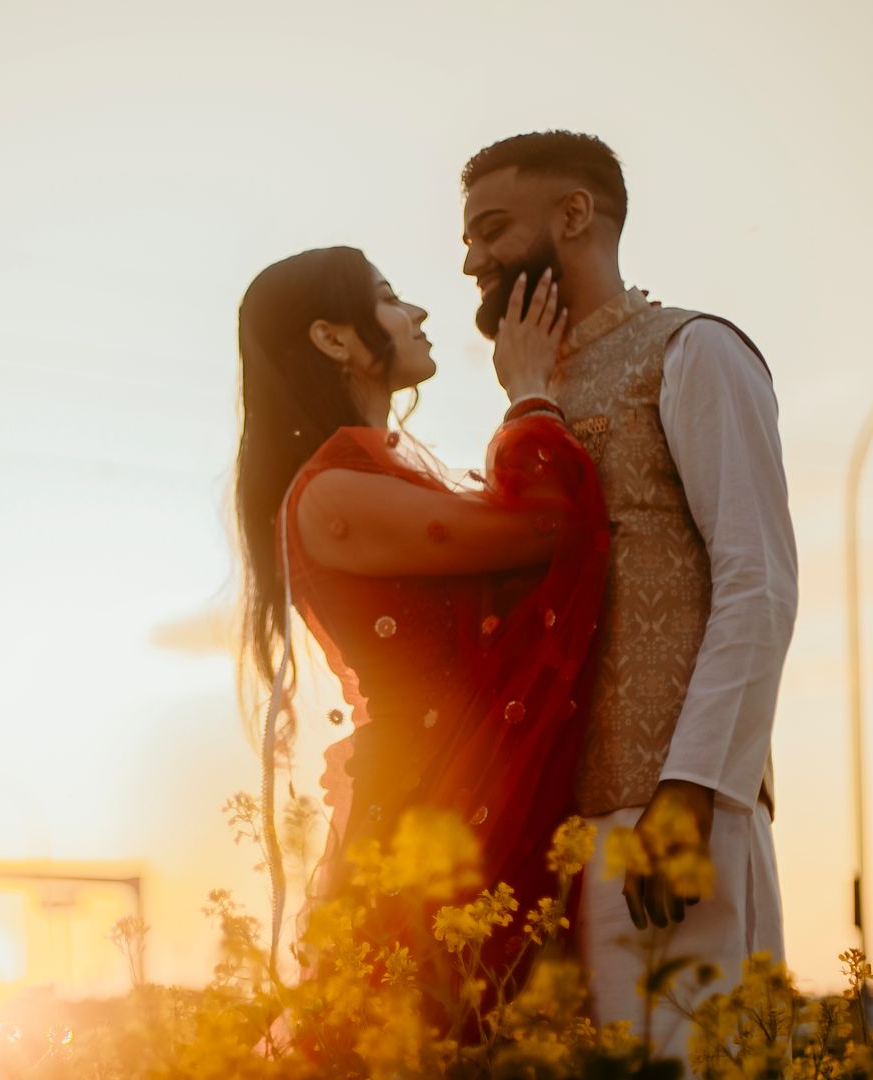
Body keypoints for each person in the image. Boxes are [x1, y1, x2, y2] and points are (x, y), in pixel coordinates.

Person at [459, 130, 798, 1062]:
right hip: (555, 844)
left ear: (575, 215)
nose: (470, 260)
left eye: (491, 229)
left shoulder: (695, 352)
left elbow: (758, 581)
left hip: (676, 821)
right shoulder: (531, 388)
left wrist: (688, 792)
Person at [233, 245, 609, 1032]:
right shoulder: (329, 493)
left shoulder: (386, 477)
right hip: (424, 823)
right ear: (333, 339)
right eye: (390, 297)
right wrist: (531, 397)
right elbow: (544, 527)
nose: (420, 314)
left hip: (464, 806)